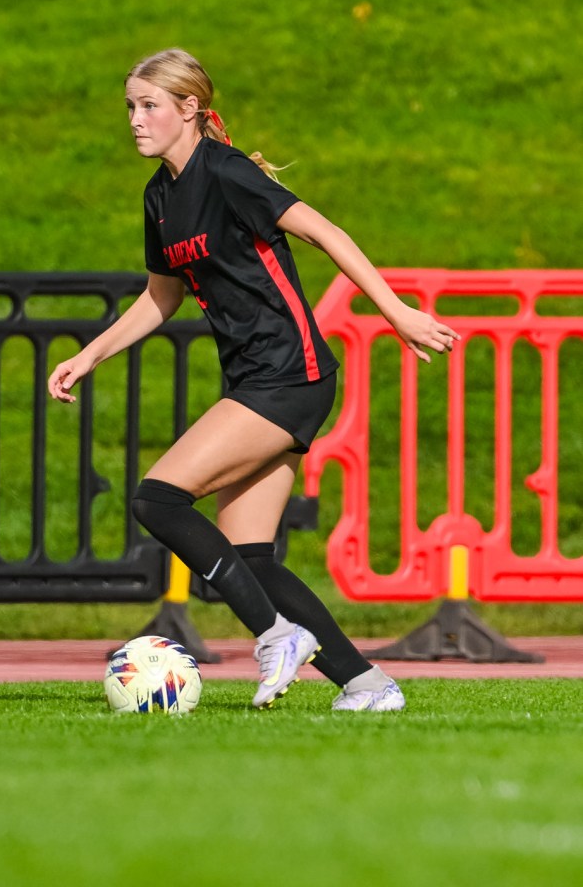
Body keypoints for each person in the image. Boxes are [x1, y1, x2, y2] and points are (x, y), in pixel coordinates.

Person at [48, 48, 460, 711]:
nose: (134, 118)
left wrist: (396, 313)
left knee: (158, 500)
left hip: (288, 375)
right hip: (257, 379)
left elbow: (325, 231)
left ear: (190, 109)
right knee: (252, 556)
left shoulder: (227, 171)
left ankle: (274, 635)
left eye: (148, 105)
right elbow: (162, 297)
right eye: (129, 105)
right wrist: (90, 354)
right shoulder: (159, 196)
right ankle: (367, 685)